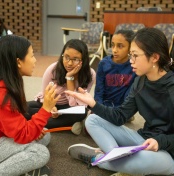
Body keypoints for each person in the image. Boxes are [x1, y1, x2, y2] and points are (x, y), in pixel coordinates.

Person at [65, 28, 174, 176]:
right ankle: (116, 158)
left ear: (154, 57)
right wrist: (94, 104)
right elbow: (120, 116)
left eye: (135, 56)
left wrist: (160, 142)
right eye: (131, 55)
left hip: (168, 152)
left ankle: (98, 158)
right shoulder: (139, 81)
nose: (131, 61)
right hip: (144, 140)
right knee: (92, 120)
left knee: (140, 161)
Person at [0, 35, 60, 175]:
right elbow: (23, 134)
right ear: (18, 62)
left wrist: (34, 129)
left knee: (44, 135)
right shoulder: (2, 95)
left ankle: (20, 167)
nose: (35, 60)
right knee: (40, 152)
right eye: (32, 56)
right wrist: (46, 109)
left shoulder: (9, 84)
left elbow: (16, 124)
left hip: (4, 136)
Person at [25, 39, 96, 135]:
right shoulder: (52, 70)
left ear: (83, 60)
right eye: (66, 57)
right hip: (50, 104)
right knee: (23, 107)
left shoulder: (90, 74)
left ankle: (34, 123)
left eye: (75, 59)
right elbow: (45, 95)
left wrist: (69, 78)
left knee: (81, 112)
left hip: (69, 108)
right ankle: (66, 125)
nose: (69, 63)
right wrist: (51, 107)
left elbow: (75, 105)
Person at [94, 30, 136, 122]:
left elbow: (130, 94)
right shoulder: (103, 64)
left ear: (130, 48)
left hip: (121, 108)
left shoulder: (134, 66)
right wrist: (98, 108)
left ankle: (125, 116)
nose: (114, 50)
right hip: (104, 105)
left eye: (120, 46)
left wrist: (123, 111)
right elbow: (98, 91)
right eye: (113, 45)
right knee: (93, 120)